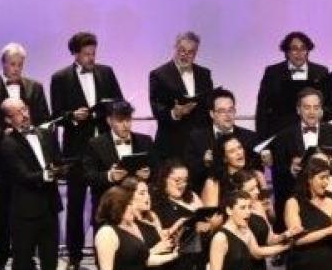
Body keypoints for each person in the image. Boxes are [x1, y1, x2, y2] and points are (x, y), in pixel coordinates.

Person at [0, 99, 77, 270]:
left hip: (49, 208)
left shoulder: (45, 134)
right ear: (8, 119)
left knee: (50, 266)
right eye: (17, 113)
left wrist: (64, 168)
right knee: (20, 267)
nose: (24, 114)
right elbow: (22, 176)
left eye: (25, 109)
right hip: (24, 213)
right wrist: (48, 173)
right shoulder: (8, 144)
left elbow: (58, 161)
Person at [51, 31, 126, 270]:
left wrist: (107, 109)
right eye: (86, 54)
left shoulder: (106, 72)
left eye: (93, 53)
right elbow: (56, 117)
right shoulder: (60, 78)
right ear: (75, 54)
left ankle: (102, 252)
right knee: (75, 204)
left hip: (103, 149)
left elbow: (120, 103)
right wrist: (73, 117)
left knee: (103, 204)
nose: (91, 58)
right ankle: (73, 255)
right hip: (76, 150)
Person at [0, 43, 50, 270]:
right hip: (1, 161)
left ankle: (27, 260)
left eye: (20, 64)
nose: (17, 69)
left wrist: (32, 133)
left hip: (30, 161)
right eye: (12, 64)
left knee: (28, 211)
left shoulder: (35, 87)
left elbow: (44, 120)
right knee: (0, 210)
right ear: (3, 64)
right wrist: (3, 133)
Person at [270, 86, 332, 207]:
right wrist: (291, 169)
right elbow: (277, 168)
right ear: (298, 109)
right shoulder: (284, 135)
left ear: (321, 110)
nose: (312, 112)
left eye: (316, 108)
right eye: (307, 108)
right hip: (298, 199)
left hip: (329, 198)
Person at [255, 30, 332, 138]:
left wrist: (317, 114)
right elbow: (262, 110)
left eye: (303, 48)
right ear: (287, 52)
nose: (299, 53)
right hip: (282, 136)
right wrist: (261, 140)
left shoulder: (321, 72)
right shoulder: (272, 72)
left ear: (308, 51)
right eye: (294, 48)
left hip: (314, 134)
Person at [149, 31, 215, 162]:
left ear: (196, 53)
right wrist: (175, 113)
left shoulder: (204, 74)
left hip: (199, 144)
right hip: (172, 142)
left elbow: (209, 106)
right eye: (182, 50)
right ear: (175, 48)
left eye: (191, 52)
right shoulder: (159, 74)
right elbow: (156, 108)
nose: (185, 55)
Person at [84, 101, 154, 216]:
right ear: (109, 121)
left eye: (128, 120)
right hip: (109, 208)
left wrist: (148, 174)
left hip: (139, 208)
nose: (126, 125)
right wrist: (110, 176)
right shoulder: (95, 144)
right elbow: (89, 177)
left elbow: (157, 170)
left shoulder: (145, 141)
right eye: (120, 121)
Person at [186, 88, 260, 191]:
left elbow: (257, 169)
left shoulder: (249, 137)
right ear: (212, 114)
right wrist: (205, 163)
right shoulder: (197, 138)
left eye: (231, 110)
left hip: (242, 192)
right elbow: (190, 173)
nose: (228, 115)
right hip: (207, 192)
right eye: (222, 111)